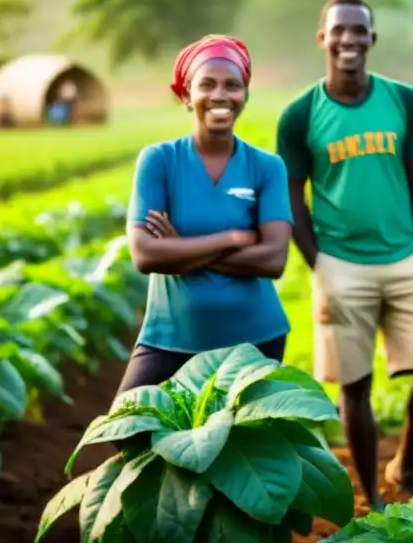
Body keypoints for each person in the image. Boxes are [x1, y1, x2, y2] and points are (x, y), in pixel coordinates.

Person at [275, 0, 413, 510]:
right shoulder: (300, 114)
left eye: (359, 31)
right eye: (339, 30)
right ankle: (372, 496)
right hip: (340, 262)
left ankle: (408, 462)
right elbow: (292, 197)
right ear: (322, 38)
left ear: (372, 39)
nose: (348, 39)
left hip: (406, 258)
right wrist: (319, 263)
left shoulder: (403, 101)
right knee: (355, 386)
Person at [118, 34, 293, 395]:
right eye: (207, 84)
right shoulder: (160, 161)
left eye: (233, 85)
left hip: (254, 338)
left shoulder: (267, 167)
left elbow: (274, 259)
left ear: (244, 96)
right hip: (170, 336)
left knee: (237, 444)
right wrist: (230, 239)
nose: (220, 95)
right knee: (130, 429)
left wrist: (181, 250)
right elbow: (145, 254)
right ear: (185, 96)